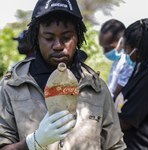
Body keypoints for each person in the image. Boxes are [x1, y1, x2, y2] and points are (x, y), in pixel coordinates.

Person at [0, 0, 126, 149]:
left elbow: (115, 145)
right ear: (36, 38)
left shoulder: (96, 88)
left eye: (66, 38)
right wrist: (33, 143)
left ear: (78, 36)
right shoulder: (13, 86)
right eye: (48, 38)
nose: (58, 46)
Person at [115, 18, 148, 149]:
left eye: (127, 47)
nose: (126, 51)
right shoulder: (141, 68)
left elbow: (126, 122)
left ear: (138, 48)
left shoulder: (147, 79)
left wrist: (96, 117)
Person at [99, 19, 134, 100]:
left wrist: (109, 100)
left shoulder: (128, 60)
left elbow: (121, 84)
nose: (105, 52)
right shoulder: (118, 59)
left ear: (121, 41)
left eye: (108, 48)